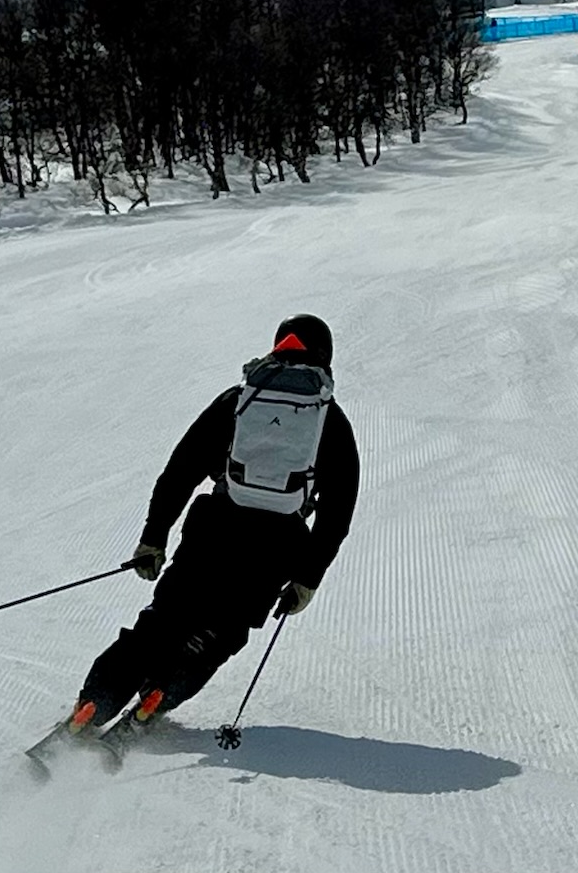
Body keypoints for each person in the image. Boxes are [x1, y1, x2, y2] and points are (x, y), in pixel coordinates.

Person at [46, 313, 359, 758]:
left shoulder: (241, 400)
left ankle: (94, 702)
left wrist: (154, 537)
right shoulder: (329, 420)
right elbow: (337, 512)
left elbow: (182, 469)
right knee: (218, 633)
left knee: (164, 619)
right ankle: (158, 696)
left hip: (214, 527)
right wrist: (308, 577)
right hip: (277, 546)